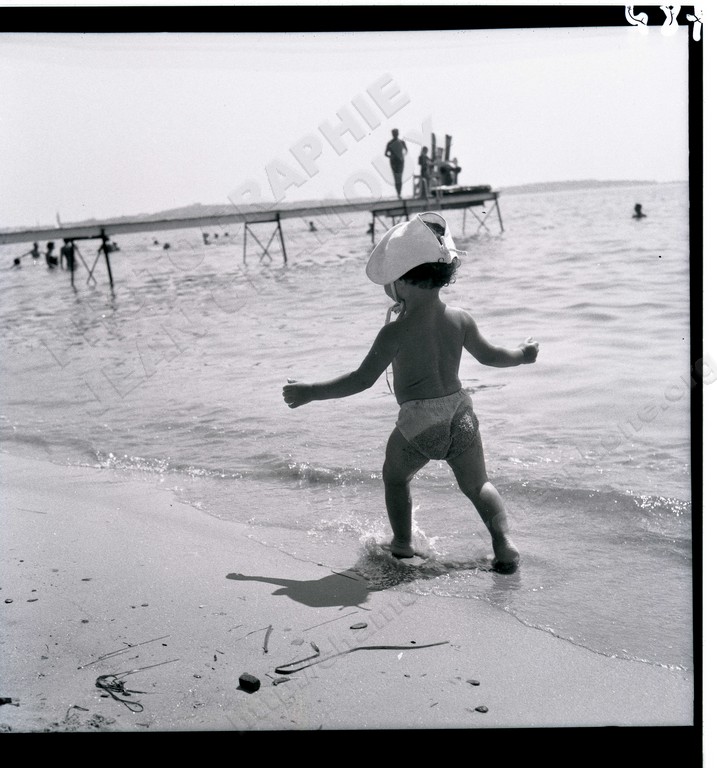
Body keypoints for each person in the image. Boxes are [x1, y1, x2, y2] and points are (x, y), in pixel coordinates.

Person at [282, 212, 539, 569]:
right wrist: (523, 355)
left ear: (401, 280)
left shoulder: (395, 332)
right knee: (478, 484)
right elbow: (491, 356)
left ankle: (402, 543)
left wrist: (311, 391)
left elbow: (361, 380)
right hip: (460, 415)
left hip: (420, 422)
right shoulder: (461, 319)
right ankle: (504, 543)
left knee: (395, 477)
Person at [385, 128, 408, 198]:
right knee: (397, 178)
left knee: (399, 177)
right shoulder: (390, 143)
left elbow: (406, 150)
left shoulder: (401, 142)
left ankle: (399, 193)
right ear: (392, 134)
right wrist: (392, 156)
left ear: (397, 134)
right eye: (394, 133)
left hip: (400, 161)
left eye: (396, 133)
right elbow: (386, 153)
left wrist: (401, 156)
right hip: (394, 162)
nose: (395, 134)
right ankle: (398, 193)